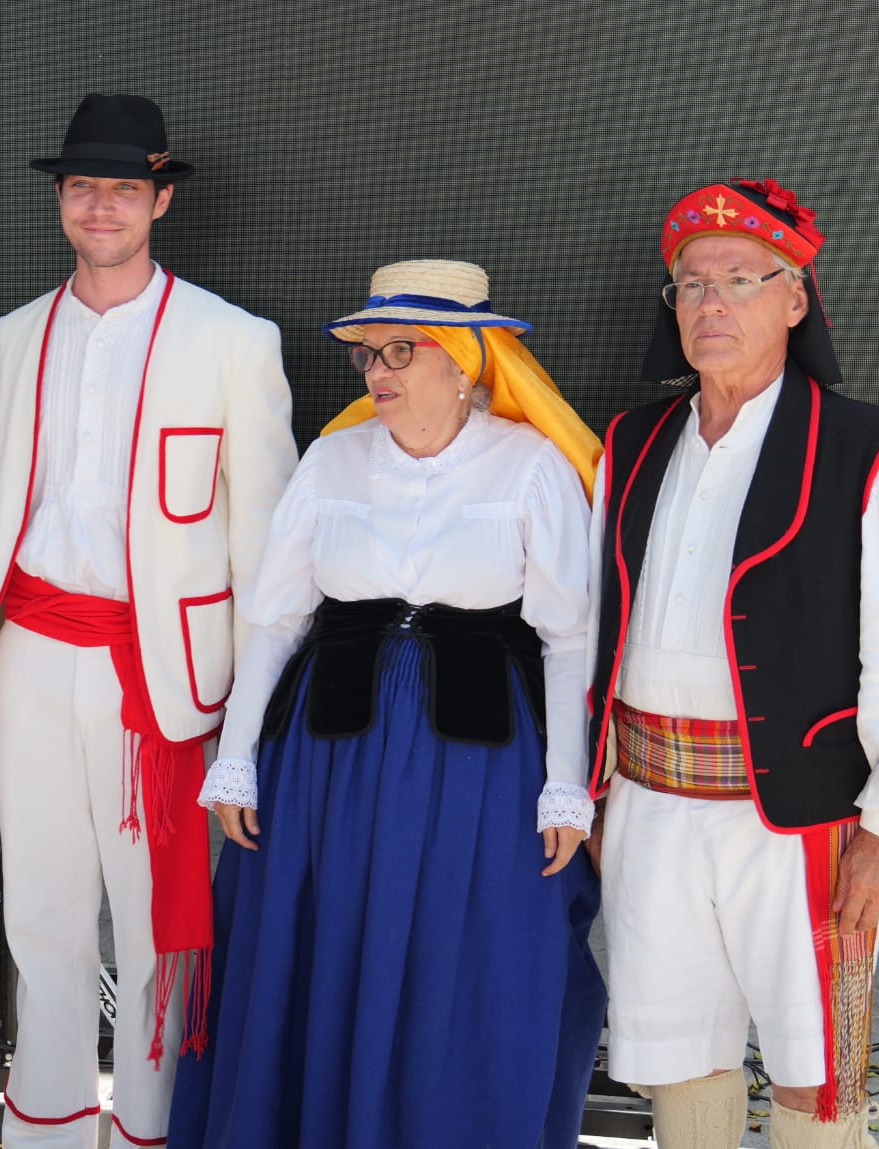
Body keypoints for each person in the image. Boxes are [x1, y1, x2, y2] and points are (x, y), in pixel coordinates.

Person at [586, 179, 879, 1148]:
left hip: (798, 825)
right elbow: (589, 630)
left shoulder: (865, 448)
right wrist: (590, 792)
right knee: (675, 1055)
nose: (708, 304)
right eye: (689, 285)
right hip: (649, 808)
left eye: (739, 280)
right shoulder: (629, 444)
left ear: (794, 299)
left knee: (814, 1072)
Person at [167, 260, 607, 1147]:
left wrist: (567, 785)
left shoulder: (530, 468)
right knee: (323, 944)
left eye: (402, 351)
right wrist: (238, 756)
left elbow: (570, 637)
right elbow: (277, 617)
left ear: (467, 360)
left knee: (461, 950)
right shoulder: (333, 459)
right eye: (370, 353)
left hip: (479, 764)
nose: (379, 372)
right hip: (333, 759)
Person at [0, 93, 298, 1148]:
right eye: (82, 187)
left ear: (160, 199)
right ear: (59, 199)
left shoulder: (234, 342)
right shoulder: (12, 339)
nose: (101, 207)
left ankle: (150, 1130)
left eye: (123, 188)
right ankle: (43, 1128)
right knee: (40, 913)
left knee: (157, 931)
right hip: (34, 656)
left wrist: (247, 721)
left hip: (164, 680)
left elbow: (264, 543)